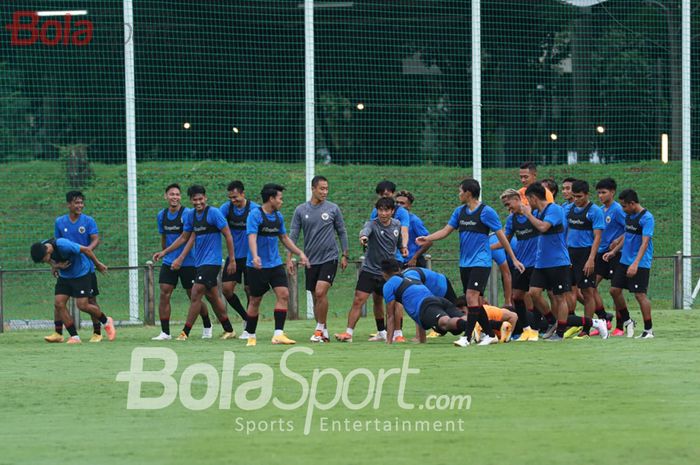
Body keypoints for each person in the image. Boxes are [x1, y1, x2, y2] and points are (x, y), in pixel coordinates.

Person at [417, 178, 524, 346]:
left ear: (468, 193)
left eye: (460, 191)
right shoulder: (459, 212)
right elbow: (446, 230)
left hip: (481, 262)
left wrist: (514, 258)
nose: (458, 194)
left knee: (471, 297)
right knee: (473, 301)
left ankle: (466, 337)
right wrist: (427, 238)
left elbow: (502, 236)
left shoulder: (486, 212)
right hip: (465, 263)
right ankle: (490, 334)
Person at [153, 185, 237, 341]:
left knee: (196, 292)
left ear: (205, 198)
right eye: (195, 199)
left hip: (212, 262)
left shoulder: (214, 213)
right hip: (200, 262)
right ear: (191, 200)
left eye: (201, 199)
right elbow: (184, 237)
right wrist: (164, 252)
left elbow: (228, 235)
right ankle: (229, 329)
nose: (198, 202)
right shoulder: (191, 216)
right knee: (212, 296)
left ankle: (185, 332)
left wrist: (232, 259)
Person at [245, 183, 310, 347]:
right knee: (255, 300)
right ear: (271, 199)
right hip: (256, 265)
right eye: (280, 198)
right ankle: (251, 335)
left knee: (284, 294)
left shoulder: (278, 217)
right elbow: (251, 237)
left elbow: (284, 238)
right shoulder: (255, 215)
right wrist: (255, 256)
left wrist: (299, 253)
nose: (282, 201)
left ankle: (278, 334)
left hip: (274, 264)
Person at [287, 176, 349, 343]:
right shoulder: (300, 210)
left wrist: (345, 254)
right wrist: (289, 257)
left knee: (321, 292)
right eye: (322, 188)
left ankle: (318, 329)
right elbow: (292, 235)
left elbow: (342, 231)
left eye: (327, 189)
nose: (325, 192)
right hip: (310, 260)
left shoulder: (333, 209)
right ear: (313, 189)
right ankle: (324, 331)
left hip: (330, 257)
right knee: (316, 297)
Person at [335, 197, 403, 343]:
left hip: (388, 273)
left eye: (386, 210)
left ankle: (397, 334)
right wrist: (364, 237)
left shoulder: (397, 224)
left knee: (393, 302)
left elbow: (399, 241)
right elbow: (365, 231)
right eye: (380, 210)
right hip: (370, 270)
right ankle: (348, 333)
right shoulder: (371, 224)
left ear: (392, 211)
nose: (383, 213)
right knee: (358, 300)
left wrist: (403, 248)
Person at [152, 183, 211, 341]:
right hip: (169, 261)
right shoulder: (161, 215)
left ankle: (207, 325)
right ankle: (165, 332)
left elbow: (189, 238)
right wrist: (164, 253)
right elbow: (163, 236)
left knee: (193, 295)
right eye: (171, 194)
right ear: (166, 196)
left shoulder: (188, 214)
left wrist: (181, 258)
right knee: (164, 293)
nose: (174, 197)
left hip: (188, 262)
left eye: (177, 194)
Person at [30, 238, 116, 344]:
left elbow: (86, 250)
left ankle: (106, 321)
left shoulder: (63, 245)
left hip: (81, 273)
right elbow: (50, 261)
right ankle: (75, 337)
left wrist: (98, 264)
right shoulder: (42, 246)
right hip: (65, 276)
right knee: (59, 303)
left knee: (82, 305)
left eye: (44, 259)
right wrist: (56, 266)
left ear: (47, 251)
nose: (45, 262)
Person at [48, 191, 103, 343]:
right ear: (68, 205)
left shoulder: (88, 221)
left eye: (81, 203)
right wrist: (55, 265)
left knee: (89, 300)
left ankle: (97, 332)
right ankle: (58, 332)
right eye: (76, 203)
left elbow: (96, 239)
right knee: (59, 302)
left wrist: (88, 250)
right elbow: (56, 245)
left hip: (86, 267)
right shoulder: (60, 222)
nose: (80, 206)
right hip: (67, 269)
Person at [520, 182, 572, 341]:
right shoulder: (538, 212)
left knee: (559, 297)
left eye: (528, 199)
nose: (527, 204)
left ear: (533, 198)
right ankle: (551, 321)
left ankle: (561, 332)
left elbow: (543, 228)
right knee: (533, 293)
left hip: (558, 262)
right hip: (541, 262)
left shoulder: (554, 209)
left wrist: (528, 215)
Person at [381, 259, 473, 346]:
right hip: (438, 299)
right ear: (398, 269)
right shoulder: (411, 274)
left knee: (444, 323)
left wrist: (389, 341)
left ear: (384, 274)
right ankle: (476, 324)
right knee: (459, 320)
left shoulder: (388, 285)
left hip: (427, 306)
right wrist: (422, 339)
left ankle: (469, 328)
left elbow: (390, 315)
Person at [603, 189, 655, 339]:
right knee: (614, 290)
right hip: (624, 260)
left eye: (624, 206)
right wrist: (614, 252)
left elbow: (645, 243)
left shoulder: (647, 218)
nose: (623, 209)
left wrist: (636, 263)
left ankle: (648, 330)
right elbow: (628, 235)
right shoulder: (629, 216)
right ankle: (627, 320)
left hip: (640, 263)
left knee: (640, 295)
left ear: (632, 204)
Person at [563, 180, 609, 339]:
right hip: (570, 253)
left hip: (585, 254)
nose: (576, 199)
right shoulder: (568, 210)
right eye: (574, 196)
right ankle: (573, 322)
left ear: (587, 194)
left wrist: (591, 259)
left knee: (587, 291)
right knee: (568, 290)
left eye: (579, 196)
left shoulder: (595, 211)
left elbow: (597, 237)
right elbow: (564, 232)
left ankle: (586, 328)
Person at [500, 189, 547, 342]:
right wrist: (487, 247)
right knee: (516, 296)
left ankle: (545, 325)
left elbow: (543, 228)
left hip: (537, 262)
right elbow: (505, 240)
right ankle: (527, 330)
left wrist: (529, 214)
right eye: (505, 206)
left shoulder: (533, 213)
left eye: (509, 204)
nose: (508, 208)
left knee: (535, 295)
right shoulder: (511, 219)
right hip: (521, 264)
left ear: (517, 199)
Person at [219, 180, 259, 337]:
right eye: (230, 197)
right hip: (234, 256)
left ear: (243, 194)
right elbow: (215, 221)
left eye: (235, 197)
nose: (233, 200)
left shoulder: (254, 209)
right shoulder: (226, 209)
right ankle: (246, 317)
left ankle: (249, 327)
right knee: (227, 290)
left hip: (250, 257)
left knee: (250, 290)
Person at [594, 178, 626, 336]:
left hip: (616, 255)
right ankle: (603, 319)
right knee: (590, 287)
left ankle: (620, 326)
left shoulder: (618, 209)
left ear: (612, 192)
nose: (600, 195)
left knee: (616, 290)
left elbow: (630, 229)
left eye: (603, 192)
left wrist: (617, 240)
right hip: (601, 253)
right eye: (598, 192)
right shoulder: (600, 210)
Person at [394, 190, 431, 268]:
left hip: (411, 264)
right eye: (396, 202)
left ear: (409, 206)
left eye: (402, 203)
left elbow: (428, 242)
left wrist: (414, 258)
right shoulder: (391, 220)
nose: (398, 205)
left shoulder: (414, 221)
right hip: (397, 262)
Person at [488, 234, 512, 307]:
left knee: (516, 294)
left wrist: (507, 302)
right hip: (508, 257)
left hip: (519, 258)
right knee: (509, 293)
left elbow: (507, 274)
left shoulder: (494, 251)